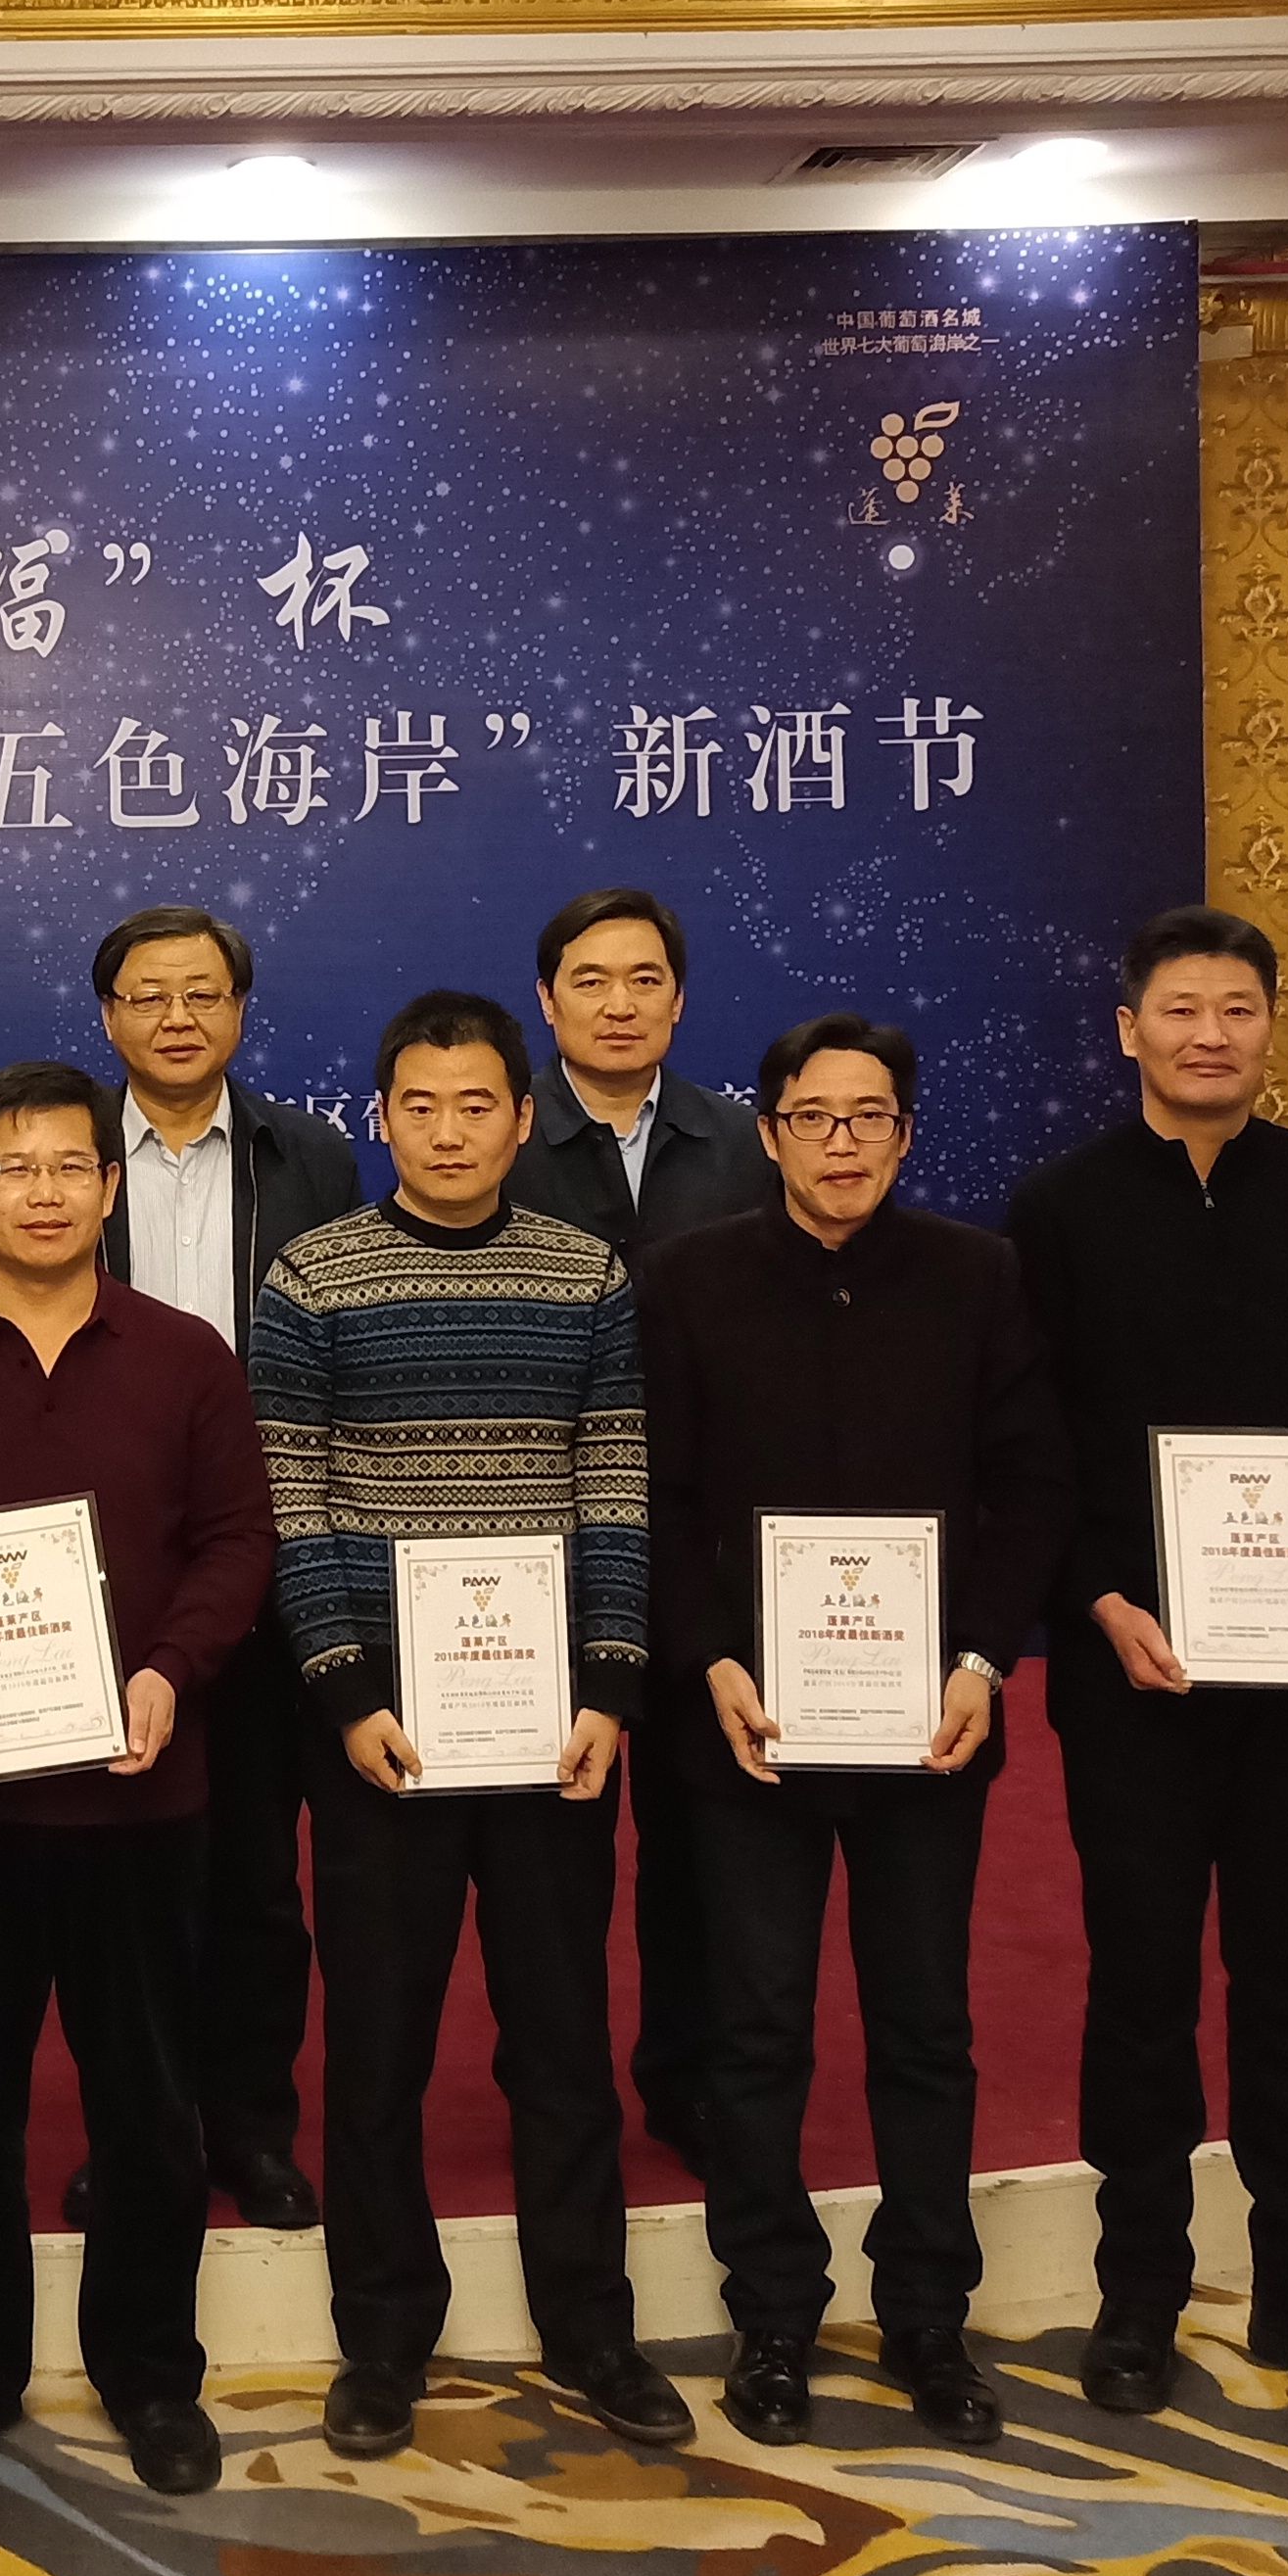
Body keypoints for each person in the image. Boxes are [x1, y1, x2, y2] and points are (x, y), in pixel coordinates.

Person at [1007, 905, 1288, 2422]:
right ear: (1128, 1029)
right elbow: (1034, 1439)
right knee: (1139, 1981)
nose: (1211, 1035)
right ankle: (1139, 2292)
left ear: (1272, 1027)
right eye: (1182, 1009)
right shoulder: (1060, 1209)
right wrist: (1096, 1600)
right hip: (1131, 1668)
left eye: (1240, 1010)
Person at [251, 989, 692, 2459]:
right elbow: (292, 1497)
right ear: (381, 1118)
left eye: (477, 1106)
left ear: (521, 1117)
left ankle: (593, 2327)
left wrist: (611, 1685)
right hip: (381, 1734)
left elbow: (615, 1482)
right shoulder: (312, 1275)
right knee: (377, 2044)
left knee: (561, 2038)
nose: (448, 1133)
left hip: (551, 1731)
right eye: (420, 1107)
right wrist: (343, 1690)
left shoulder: (587, 1274)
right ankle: (383, 2337)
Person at [0, 1060, 277, 2499]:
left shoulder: (186, 1355)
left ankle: (151, 2375)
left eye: (71, 1166)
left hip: (146, 1800)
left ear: (111, 1185)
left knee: (148, 2105)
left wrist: (170, 1672)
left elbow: (237, 1542)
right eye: (13, 1167)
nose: (43, 1192)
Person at [637, 1013, 1068, 2451]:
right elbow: (659, 1499)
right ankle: (772, 2315)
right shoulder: (688, 1280)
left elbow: (1030, 1487)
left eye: (870, 1117)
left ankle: (928, 2316)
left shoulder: (977, 1276)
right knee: (754, 2031)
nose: (842, 1143)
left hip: (925, 1724)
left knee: (924, 2027)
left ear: (904, 1134)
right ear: (767, 1135)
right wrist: (706, 1659)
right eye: (813, 1118)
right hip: (749, 1726)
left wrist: (981, 1660)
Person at [79, 902, 357, 2235]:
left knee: (255, 1871)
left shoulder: (312, 1158)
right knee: (120, 1879)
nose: (177, 1017)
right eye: (148, 995)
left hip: (270, 1553)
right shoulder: (69, 1152)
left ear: (241, 1011)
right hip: (107, 1566)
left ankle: (250, 2125)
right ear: (109, 1018)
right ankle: (135, 2132)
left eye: (203, 993)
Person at [502, 886, 776, 2184]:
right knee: (553, 1851)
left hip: (708, 1544)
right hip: (548, 1549)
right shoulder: (501, 1139)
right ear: (546, 999)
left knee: (700, 1837)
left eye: (645, 979)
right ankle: (554, 2094)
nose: (620, 1005)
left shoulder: (742, 1145)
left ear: (679, 996)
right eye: (591, 980)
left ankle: (691, 2076)